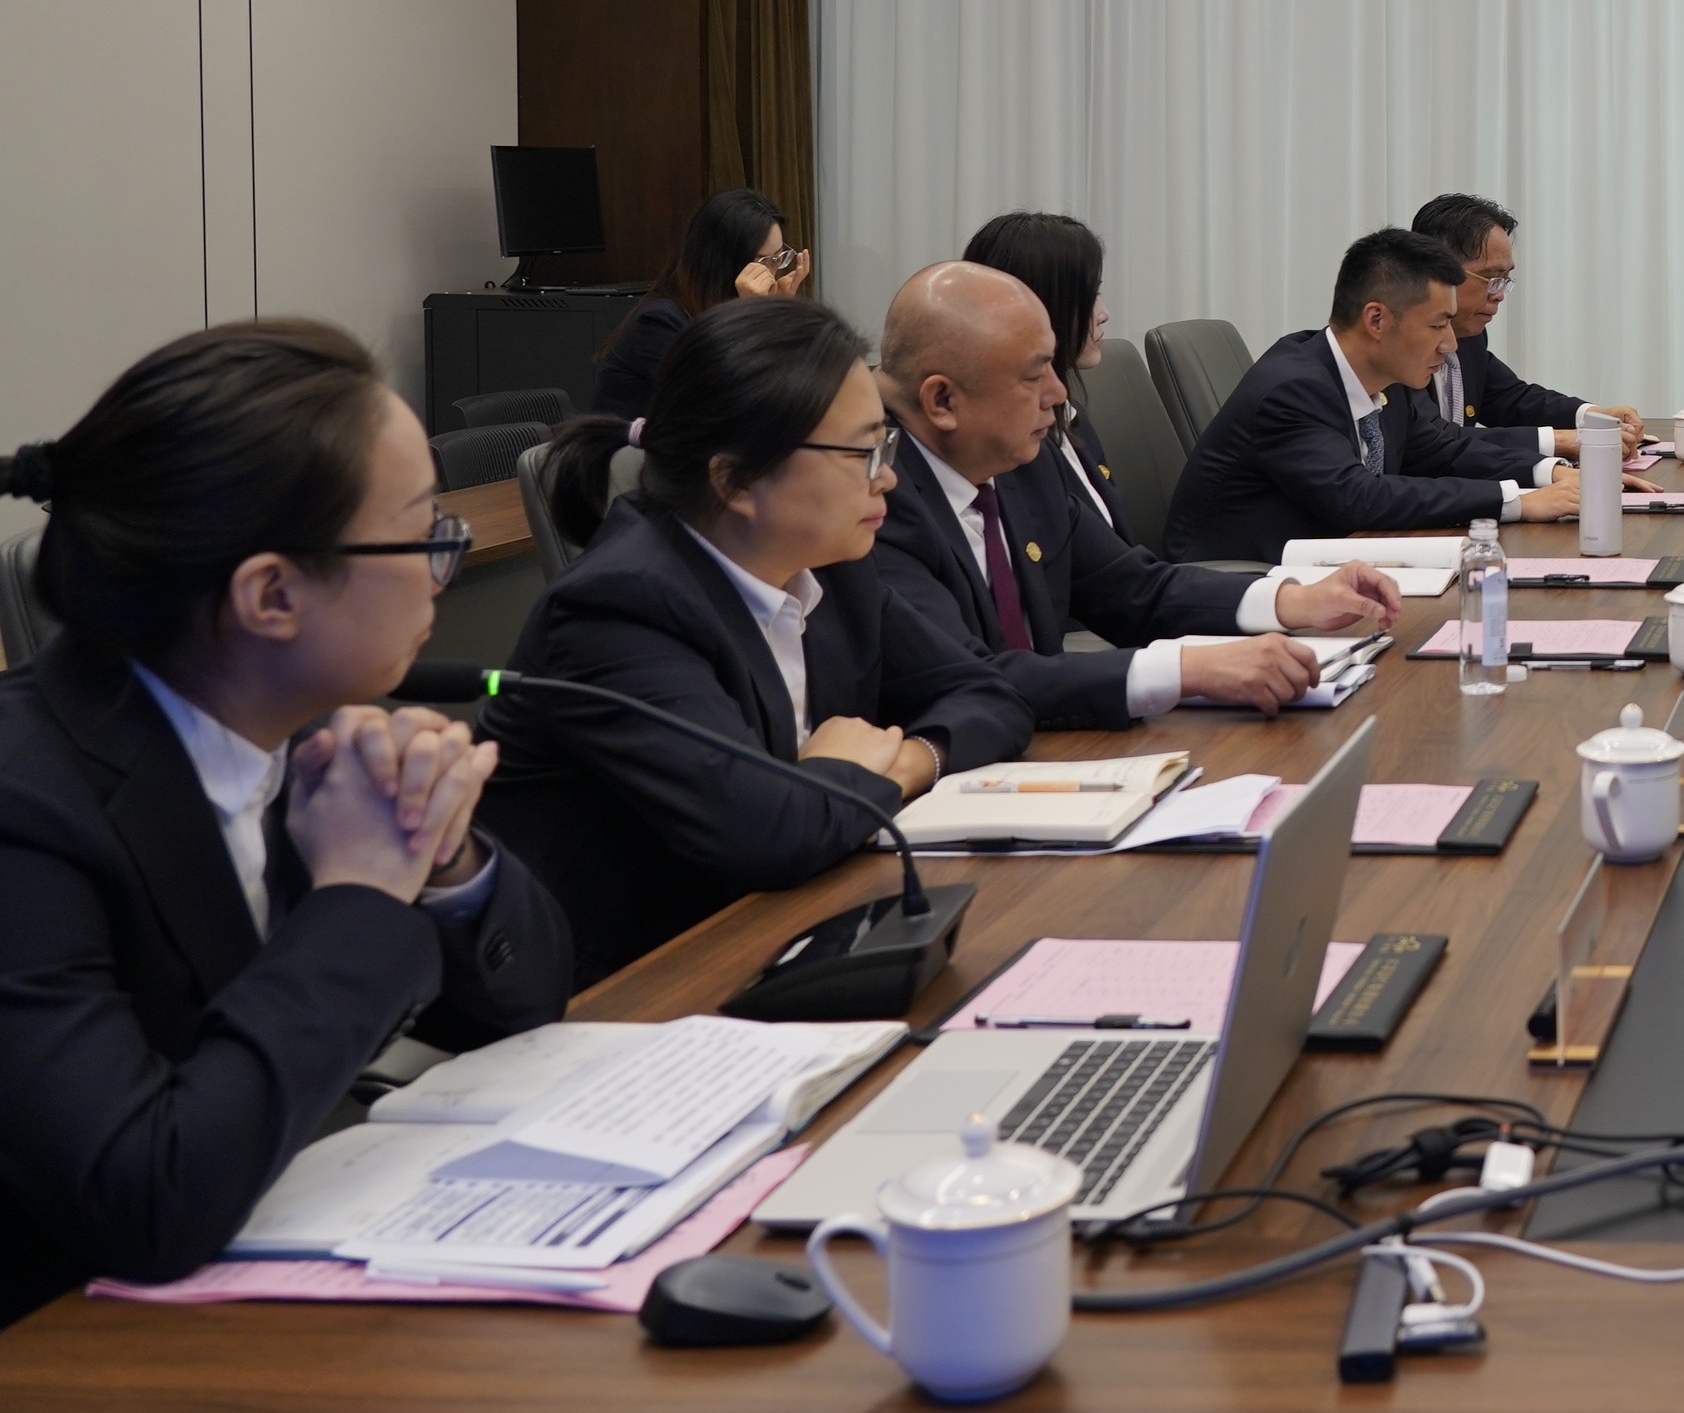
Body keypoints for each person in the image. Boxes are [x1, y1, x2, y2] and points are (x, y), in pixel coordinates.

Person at [0, 321, 570, 1323]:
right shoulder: (25, 808)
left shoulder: (292, 726)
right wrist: (362, 894)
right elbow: (145, 1196)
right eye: (422, 533)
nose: (445, 561)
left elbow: (528, 1000)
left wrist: (442, 858)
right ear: (270, 594)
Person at [487, 296, 1031, 977]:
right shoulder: (619, 609)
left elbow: (991, 695)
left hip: (783, 929)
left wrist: (904, 762)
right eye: (862, 453)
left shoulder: (830, 569)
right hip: (635, 986)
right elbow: (767, 833)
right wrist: (848, 774)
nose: (888, 477)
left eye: (885, 446)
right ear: (736, 479)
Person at [870, 262, 1400, 728]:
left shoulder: (1021, 463)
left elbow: (1132, 589)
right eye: (1033, 377)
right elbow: (972, 678)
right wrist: (1187, 669)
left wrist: (1293, 599)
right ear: (942, 401)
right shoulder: (873, 501)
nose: (1058, 393)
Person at [1167, 229, 1607, 562]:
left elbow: (1443, 450)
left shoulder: (1386, 380)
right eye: (1438, 325)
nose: (1449, 344)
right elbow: (1358, 498)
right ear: (1376, 320)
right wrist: (1514, 502)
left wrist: (1549, 473)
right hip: (1242, 586)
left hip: (1337, 564)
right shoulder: (1294, 388)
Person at [1400, 193, 1645, 481]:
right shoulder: (1397, 348)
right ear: (1437, 271)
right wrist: (1562, 443)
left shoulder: (1468, 334)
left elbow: (1510, 398)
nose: (1499, 294)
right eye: (1490, 278)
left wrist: (1593, 416)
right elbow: (1438, 441)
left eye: (1504, 280)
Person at [960, 209, 1130, 534]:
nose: (1104, 313)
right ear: (1043, 305)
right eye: (1090, 296)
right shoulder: (1011, 443)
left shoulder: (1070, 414)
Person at [594, 188, 807, 424]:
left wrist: (779, 317)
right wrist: (750, 315)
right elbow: (729, 405)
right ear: (723, 263)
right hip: (634, 446)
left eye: (779, 258)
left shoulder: (720, 310)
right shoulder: (659, 322)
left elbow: (792, 392)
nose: (771, 273)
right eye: (764, 261)